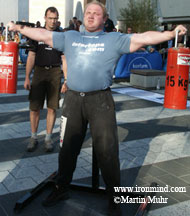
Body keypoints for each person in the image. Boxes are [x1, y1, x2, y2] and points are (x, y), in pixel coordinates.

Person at [7, 0, 187, 215]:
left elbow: (143, 38)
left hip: (100, 101)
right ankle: (61, 188)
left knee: (108, 152)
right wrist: (18, 28)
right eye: (89, 12)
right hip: (73, 100)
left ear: (104, 19)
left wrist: (170, 33)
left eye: (96, 13)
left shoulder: (114, 40)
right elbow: (42, 35)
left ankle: (113, 198)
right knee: (67, 150)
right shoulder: (70, 37)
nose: (91, 16)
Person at [23, 6, 67, 152]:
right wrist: (27, 78)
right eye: (50, 18)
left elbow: (64, 58)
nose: (53, 21)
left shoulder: (61, 36)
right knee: (34, 107)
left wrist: (66, 80)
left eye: (55, 18)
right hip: (39, 72)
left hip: (55, 73)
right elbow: (31, 56)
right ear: (45, 18)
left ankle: (48, 139)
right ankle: (33, 137)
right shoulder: (37, 34)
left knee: (52, 107)